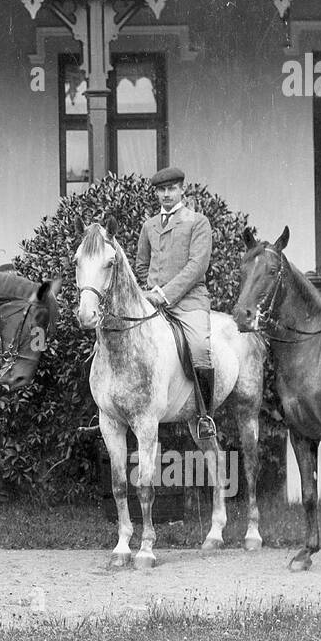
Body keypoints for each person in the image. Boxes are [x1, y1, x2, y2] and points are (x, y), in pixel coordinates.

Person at [135, 166, 216, 439]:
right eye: (161, 190)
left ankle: (205, 417)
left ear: (182, 189)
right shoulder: (149, 226)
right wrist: (152, 288)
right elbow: (141, 264)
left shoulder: (198, 222)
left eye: (171, 189)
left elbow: (197, 266)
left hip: (189, 301)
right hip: (154, 302)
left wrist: (166, 293)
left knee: (200, 347)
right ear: (156, 193)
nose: (166, 195)